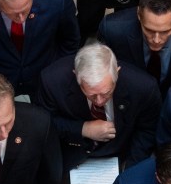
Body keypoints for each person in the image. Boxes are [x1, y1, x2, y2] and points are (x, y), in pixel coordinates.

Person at [36, 42, 162, 170]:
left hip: (123, 153)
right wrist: (82, 129)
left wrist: (131, 169)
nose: (99, 101)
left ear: (117, 73)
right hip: (72, 152)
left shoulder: (143, 87)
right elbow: (44, 124)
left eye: (106, 93)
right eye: (91, 95)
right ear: (76, 76)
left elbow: (147, 130)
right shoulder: (52, 81)